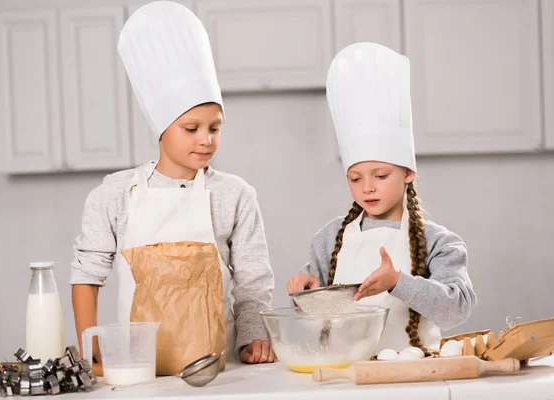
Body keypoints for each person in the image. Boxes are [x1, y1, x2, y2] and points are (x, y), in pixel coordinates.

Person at [70, 1, 277, 370]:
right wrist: (90, 343)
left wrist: (251, 335)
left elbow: (252, 280)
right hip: (134, 368)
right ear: (161, 128)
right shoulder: (114, 195)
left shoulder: (235, 195)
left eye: (215, 128)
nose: (206, 141)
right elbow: (87, 273)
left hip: (215, 368)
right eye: (191, 128)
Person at [287, 42, 477, 354]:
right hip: (345, 374)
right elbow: (313, 321)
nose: (367, 188)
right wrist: (305, 295)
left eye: (381, 175)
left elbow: (456, 310)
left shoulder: (440, 242)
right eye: (355, 178)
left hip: (416, 373)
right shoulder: (329, 239)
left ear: (408, 173)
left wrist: (398, 282)